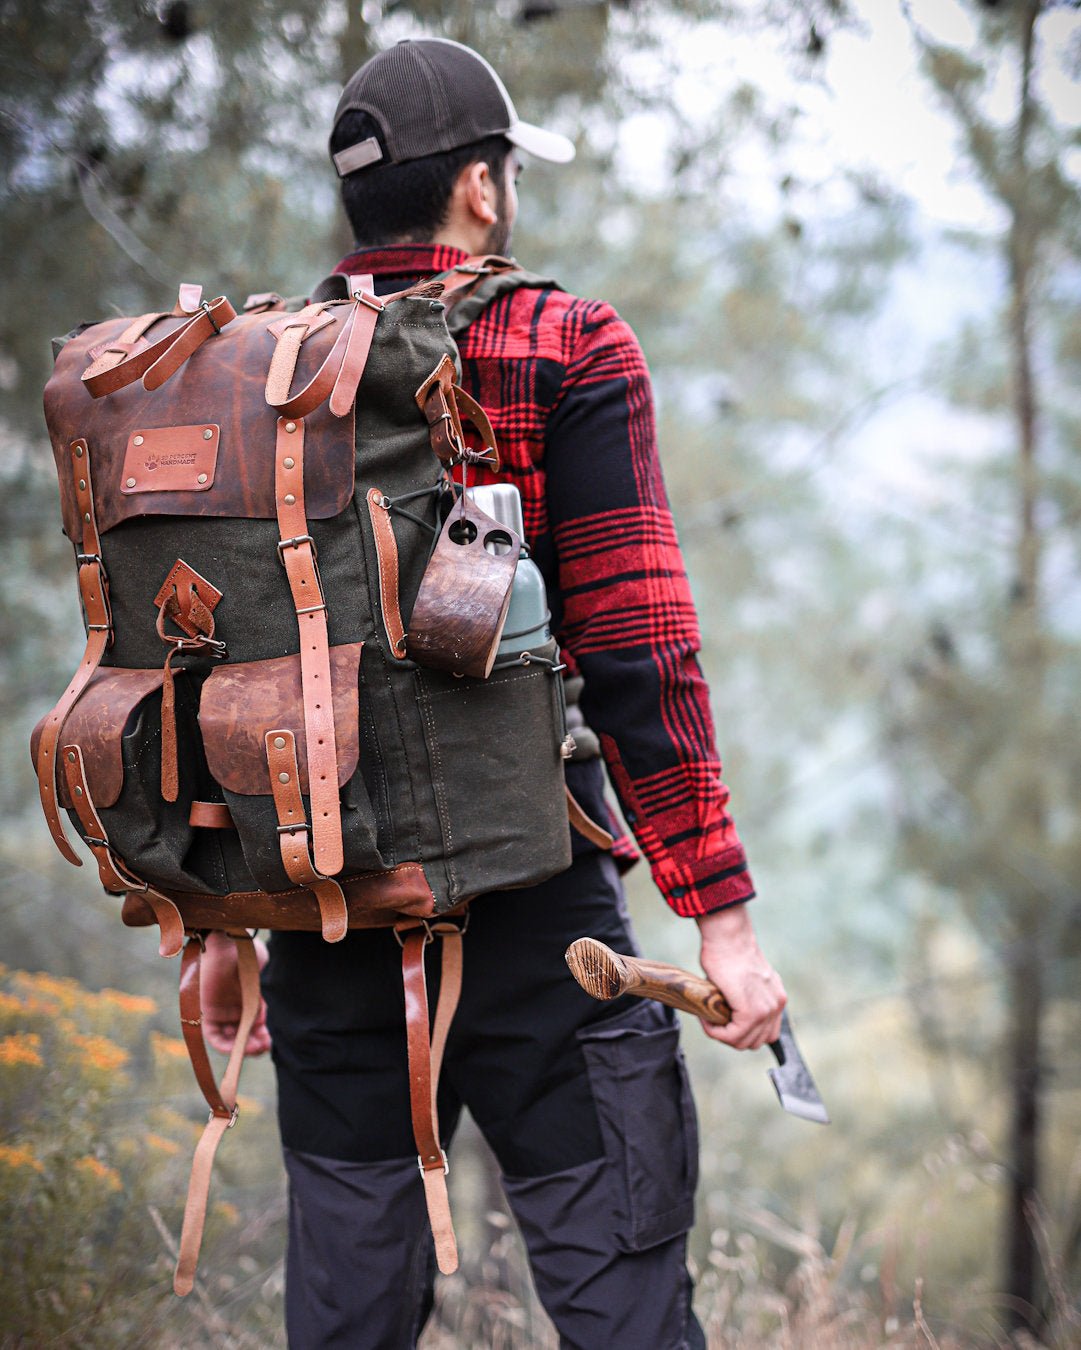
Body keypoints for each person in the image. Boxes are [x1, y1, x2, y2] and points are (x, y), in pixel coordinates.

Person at [201, 37, 787, 1350]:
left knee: (346, 1322)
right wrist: (722, 920)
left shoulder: (255, 372)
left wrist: (220, 918)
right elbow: (637, 647)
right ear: (480, 189)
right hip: (548, 924)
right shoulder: (562, 342)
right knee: (621, 1305)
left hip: (326, 908)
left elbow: (206, 663)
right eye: (504, 169)